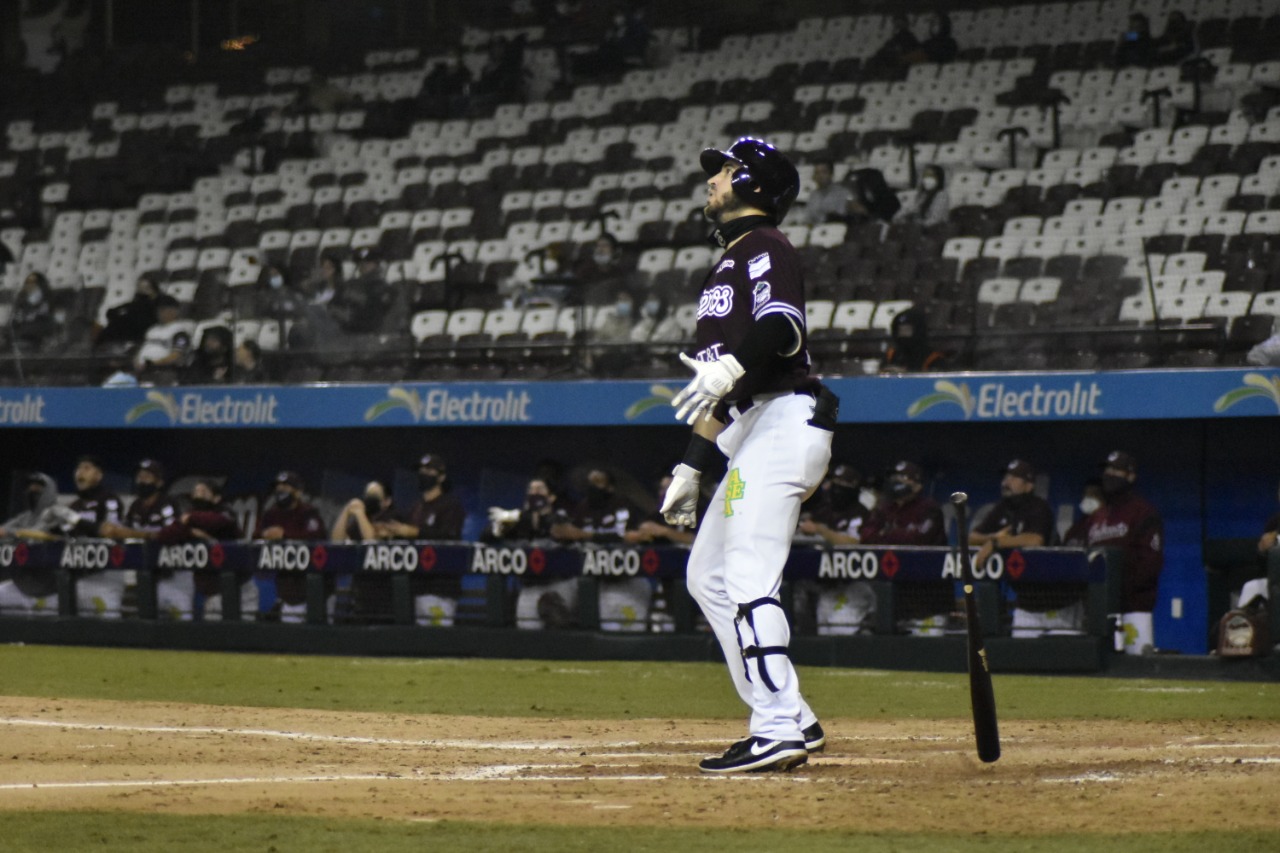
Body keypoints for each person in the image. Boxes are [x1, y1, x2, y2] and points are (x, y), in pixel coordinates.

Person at [658, 136, 837, 773]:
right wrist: (689, 467)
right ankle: (795, 716)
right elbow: (725, 395)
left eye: (726, 172)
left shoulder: (765, 247)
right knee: (705, 577)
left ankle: (775, 730)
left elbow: (784, 326)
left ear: (755, 186)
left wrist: (734, 361)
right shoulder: (733, 258)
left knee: (746, 577)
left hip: (784, 424)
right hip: (754, 429)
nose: (713, 180)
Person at [968, 460, 1077, 638]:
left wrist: (996, 544)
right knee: (1021, 656)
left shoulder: (1038, 507)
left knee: (1062, 658)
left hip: (1058, 599)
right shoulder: (1002, 508)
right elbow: (971, 538)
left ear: (1028, 485)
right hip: (1027, 601)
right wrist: (993, 538)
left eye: (1013, 478)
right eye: (1006, 477)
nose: (1006, 482)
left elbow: (1035, 540)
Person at [1085, 450, 1164, 655]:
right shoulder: (1097, 516)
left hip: (1133, 609)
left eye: (1116, 470)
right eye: (1108, 470)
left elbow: (1150, 563)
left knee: (1138, 671)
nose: (1110, 475)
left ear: (1130, 476)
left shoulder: (1143, 511)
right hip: (1101, 608)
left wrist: (1120, 589)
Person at [860, 460, 950, 635]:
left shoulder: (929, 507)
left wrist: (885, 534)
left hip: (928, 602)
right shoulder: (885, 508)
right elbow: (866, 536)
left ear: (916, 485)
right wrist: (897, 534)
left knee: (926, 655)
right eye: (894, 477)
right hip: (895, 601)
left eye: (902, 478)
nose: (896, 482)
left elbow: (918, 539)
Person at [377, 454, 466, 626]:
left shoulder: (450, 505)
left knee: (439, 642)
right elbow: (405, 531)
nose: (423, 474)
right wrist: (392, 532)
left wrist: (414, 532)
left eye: (429, 470)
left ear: (441, 476)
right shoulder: (416, 507)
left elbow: (449, 538)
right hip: (418, 585)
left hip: (441, 588)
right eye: (421, 471)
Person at [98, 459, 190, 619]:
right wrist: (113, 530)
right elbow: (123, 531)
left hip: (176, 572)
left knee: (181, 617)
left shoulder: (168, 503)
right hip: (149, 573)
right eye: (140, 476)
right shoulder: (136, 505)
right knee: (150, 620)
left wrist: (131, 533)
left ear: (159, 482)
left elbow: (169, 534)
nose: (142, 480)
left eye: (147, 477)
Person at [155, 478, 250, 621]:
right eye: (196, 492)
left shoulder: (225, 511)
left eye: (204, 492)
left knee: (246, 637)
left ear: (216, 498)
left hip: (241, 587)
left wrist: (189, 520)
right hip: (215, 591)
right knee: (215, 638)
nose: (198, 495)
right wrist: (190, 532)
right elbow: (165, 535)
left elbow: (216, 522)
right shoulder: (190, 516)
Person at [798, 463, 876, 636]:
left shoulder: (860, 512)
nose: (836, 489)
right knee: (824, 629)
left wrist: (820, 530)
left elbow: (854, 542)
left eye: (843, 485)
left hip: (855, 582)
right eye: (835, 483)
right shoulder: (824, 509)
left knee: (840, 629)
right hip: (826, 583)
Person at [254, 471, 328, 623]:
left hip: (312, 584)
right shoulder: (271, 513)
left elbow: (317, 537)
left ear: (298, 491)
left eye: (286, 487)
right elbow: (255, 536)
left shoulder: (308, 512)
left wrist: (285, 535)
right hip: (286, 584)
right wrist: (265, 535)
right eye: (278, 487)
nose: (280, 490)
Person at [334, 480, 403, 624]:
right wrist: (346, 511)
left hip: (387, 595)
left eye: (374, 495)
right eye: (367, 495)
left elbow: (372, 541)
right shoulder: (363, 518)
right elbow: (337, 541)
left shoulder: (394, 517)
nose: (369, 498)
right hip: (361, 593)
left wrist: (359, 514)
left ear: (387, 501)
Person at [68, 455, 127, 618]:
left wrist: (77, 522)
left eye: (86, 468)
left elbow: (110, 531)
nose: (80, 473)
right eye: (78, 468)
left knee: (108, 626)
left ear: (98, 475)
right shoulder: (74, 505)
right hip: (80, 573)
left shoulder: (109, 499)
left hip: (105, 574)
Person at [0, 472, 66, 616]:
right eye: (31, 486)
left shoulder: (58, 513)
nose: (33, 490)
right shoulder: (25, 517)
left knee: (50, 636)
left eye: (38, 487)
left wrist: (13, 534)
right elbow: (3, 531)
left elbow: (38, 535)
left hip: (50, 592)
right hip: (22, 587)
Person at [328, 247, 393, 334]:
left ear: (377, 264)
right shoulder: (349, 284)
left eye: (368, 262)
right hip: (341, 330)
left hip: (365, 334)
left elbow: (375, 317)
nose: (363, 265)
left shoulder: (383, 288)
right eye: (361, 262)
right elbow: (332, 306)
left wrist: (346, 316)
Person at [95, 273, 159, 350]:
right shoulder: (134, 304)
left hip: (140, 334)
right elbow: (112, 311)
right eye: (139, 288)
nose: (142, 292)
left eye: (146, 288)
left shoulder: (159, 304)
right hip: (122, 335)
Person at [133, 294, 191, 376]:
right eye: (158, 309)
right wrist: (137, 362)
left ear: (174, 311)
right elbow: (140, 350)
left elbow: (177, 355)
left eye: (163, 309)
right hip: (143, 371)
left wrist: (154, 364)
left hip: (165, 372)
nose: (159, 312)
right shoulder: (152, 330)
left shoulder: (180, 331)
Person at [882, 305, 947, 373]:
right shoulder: (891, 355)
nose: (903, 334)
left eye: (907, 330)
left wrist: (905, 373)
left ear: (918, 331)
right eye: (900, 330)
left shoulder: (933, 358)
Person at [9, 271, 57, 351]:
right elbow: (15, 323)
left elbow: (49, 325)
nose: (30, 288)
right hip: (23, 341)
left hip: (39, 342)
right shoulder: (21, 304)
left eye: (34, 285)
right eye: (28, 285)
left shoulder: (47, 305)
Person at [797, 161, 854, 226]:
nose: (820, 176)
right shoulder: (813, 195)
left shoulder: (841, 192)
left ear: (831, 174)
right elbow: (808, 219)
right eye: (817, 173)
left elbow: (840, 216)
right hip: (817, 232)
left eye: (824, 172)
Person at [897, 164, 951, 229]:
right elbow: (912, 209)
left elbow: (935, 220)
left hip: (934, 230)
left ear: (939, 178)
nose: (927, 179)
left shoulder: (942, 196)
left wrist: (919, 224)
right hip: (919, 229)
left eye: (931, 176)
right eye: (925, 176)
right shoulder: (922, 195)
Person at [1062, 478, 1104, 547]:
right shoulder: (1075, 529)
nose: (1088, 498)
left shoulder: (1110, 527)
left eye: (1094, 494)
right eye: (1086, 494)